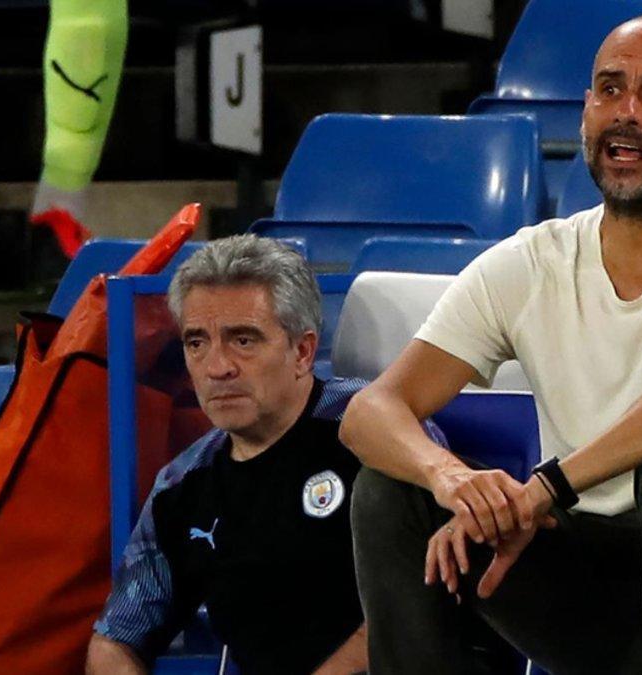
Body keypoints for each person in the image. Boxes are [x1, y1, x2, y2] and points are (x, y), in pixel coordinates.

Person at [341, 14, 642, 675]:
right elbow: (370, 412)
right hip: (606, 585)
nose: (626, 113)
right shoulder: (530, 260)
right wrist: (455, 480)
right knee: (391, 489)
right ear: (585, 109)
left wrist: (544, 488)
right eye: (609, 88)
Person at [86, 235, 443, 674]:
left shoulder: (377, 430)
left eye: (243, 340)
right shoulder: (182, 487)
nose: (217, 367)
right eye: (197, 343)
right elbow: (115, 641)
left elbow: (424, 608)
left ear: (303, 351)